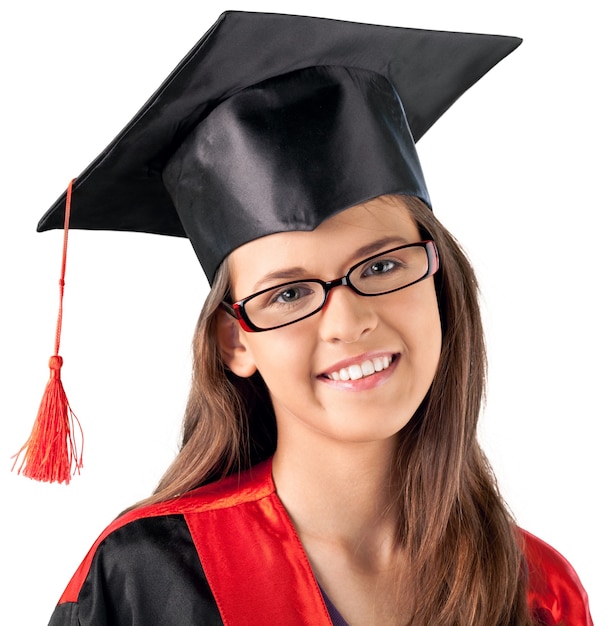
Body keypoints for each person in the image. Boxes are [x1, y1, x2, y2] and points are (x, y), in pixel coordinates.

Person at [20, 11, 591, 626]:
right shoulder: (145, 582)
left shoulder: (538, 592)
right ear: (236, 341)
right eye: (288, 295)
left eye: (380, 267)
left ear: (441, 283)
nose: (348, 321)